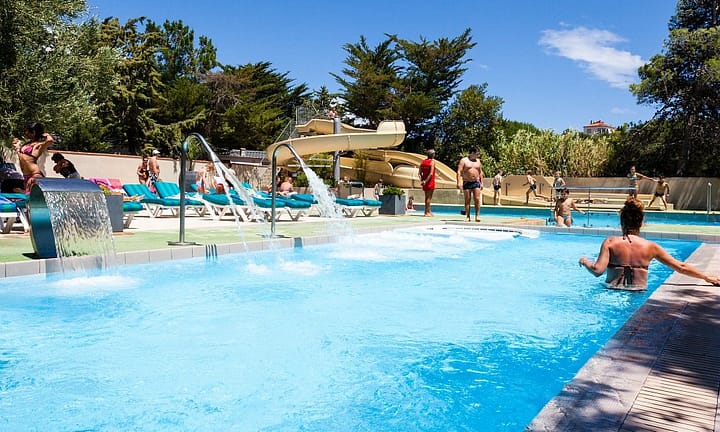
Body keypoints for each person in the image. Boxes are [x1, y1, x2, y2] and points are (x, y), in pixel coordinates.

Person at [579, 197, 720, 290]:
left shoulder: (610, 242)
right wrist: (706, 278)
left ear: (622, 220)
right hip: (638, 294)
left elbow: (597, 271)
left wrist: (585, 261)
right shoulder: (651, 247)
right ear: (641, 222)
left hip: (612, 292)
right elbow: (681, 267)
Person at [12, 122, 54, 192]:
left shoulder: (38, 145)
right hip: (25, 175)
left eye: (26, 131)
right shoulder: (26, 144)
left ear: (33, 132)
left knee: (29, 195)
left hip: (34, 174)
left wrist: (46, 134)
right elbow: (21, 156)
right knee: (27, 196)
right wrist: (17, 146)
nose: (24, 133)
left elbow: (50, 140)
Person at [457, 147, 484, 222]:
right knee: (467, 200)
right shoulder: (464, 160)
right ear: (472, 153)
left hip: (476, 182)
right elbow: (459, 171)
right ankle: (468, 216)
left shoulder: (478, 161)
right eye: (477, 154)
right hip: (467, 182)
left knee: (477, 199)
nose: (478, 156)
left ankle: (477, 215)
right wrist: (458, 182)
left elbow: (480, 172)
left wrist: (482, 183)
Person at [418, 149, 436, 216]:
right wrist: (426, 181)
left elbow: (419, 173)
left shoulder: (423, 162)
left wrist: (422, 181)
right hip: (430, 181)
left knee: (426, 197)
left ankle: (428, 211)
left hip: (424, 181)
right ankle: (426, 212)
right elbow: (431, 173)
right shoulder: (432, 162)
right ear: (433, 155)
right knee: (429, 197)